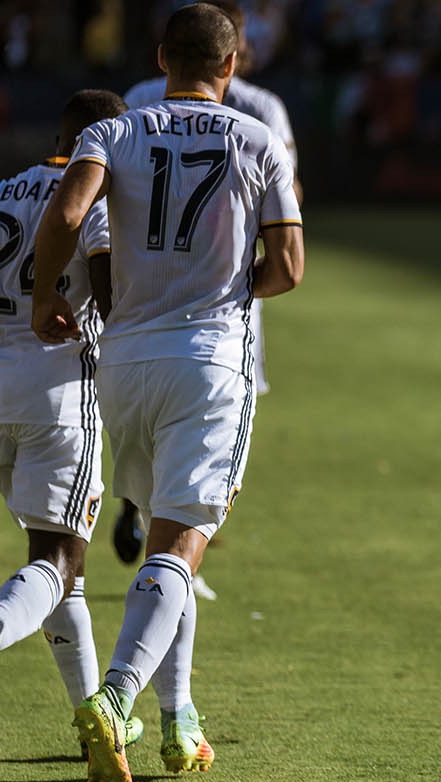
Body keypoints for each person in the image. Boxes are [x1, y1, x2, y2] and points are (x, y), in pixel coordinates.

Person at [30, 2, 304, 782]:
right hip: (210, 359)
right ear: (232, 65)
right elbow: (289, 265)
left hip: (125, 360)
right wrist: (231, 290)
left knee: (164, 538)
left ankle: (179, 715)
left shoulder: (114, 130)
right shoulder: (258, 135)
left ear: (159, 58)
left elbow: (67, 213)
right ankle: (116, 698)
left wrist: (47, 294)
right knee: (181, 545)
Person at [0, 89, 145, 756]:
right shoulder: (95, 200)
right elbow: (107, 295)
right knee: (57, 561)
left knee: (60, 567)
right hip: (63, 397)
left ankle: (99, 732)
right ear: (107, 140)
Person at [114, 0, 303, 597]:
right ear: (232, 57)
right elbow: (289, 207)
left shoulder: (134, 106)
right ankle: (175, 560)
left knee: (154, 442)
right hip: (218, 314)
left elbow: (86, 207)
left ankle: (149, 526)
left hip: (133, 317)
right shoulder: (261, 117)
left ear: (163, 54)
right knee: (203, 454)